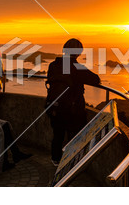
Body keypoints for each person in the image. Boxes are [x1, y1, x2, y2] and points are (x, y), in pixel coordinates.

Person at [46, 38, 101, 166]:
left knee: (57, 134)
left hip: (55, 106)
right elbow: (95, 79)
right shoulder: (76, 67)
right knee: (74, 136)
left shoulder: (53, 65)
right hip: (73, 109)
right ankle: (71, 163)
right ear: (78, 53)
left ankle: (55, 160)